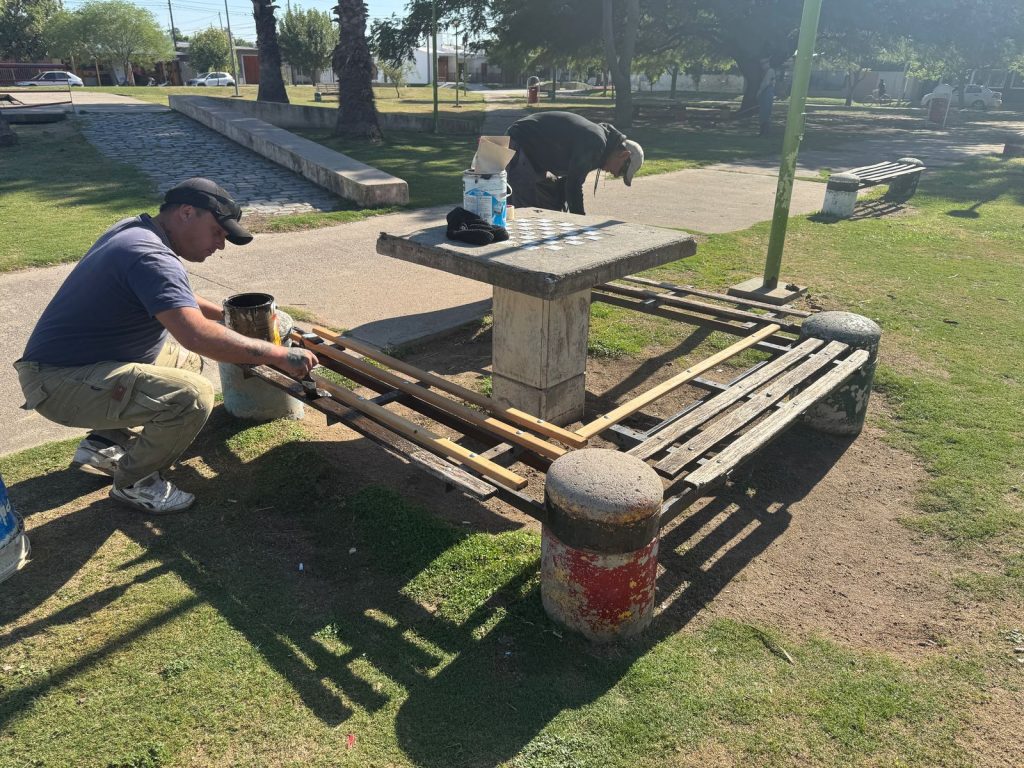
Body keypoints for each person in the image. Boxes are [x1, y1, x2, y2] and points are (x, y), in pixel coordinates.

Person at [14, 178, 318, 514]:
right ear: (187, 213)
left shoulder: (136, 230)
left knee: (184, 362)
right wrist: (282, 354)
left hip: (74, 367)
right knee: (190, 396)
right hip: (59, 385)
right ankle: (134, 482)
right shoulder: (149, 255)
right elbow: (197, 335)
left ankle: (104, 442)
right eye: (217, 232)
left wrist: (232, 316)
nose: (220, 245)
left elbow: (174, 297)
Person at [504, 111, 644, 215]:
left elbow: (568, 182)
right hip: (520, 141)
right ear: (624, 155)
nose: (615, 174)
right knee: (525, 211)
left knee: (549, 203)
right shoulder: (596, 142)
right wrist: (580, 223)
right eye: (621, 172)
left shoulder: (602, 147)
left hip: (533, 153)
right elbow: (573, 186)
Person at [757, 58, 776, 136]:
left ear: (767, 63)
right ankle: (764, 131)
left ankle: (765, 132)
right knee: (763, 112)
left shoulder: (770, 71)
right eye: (761, 64)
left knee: (765, 112)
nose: (762, 66)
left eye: (763, 64)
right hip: (766, 92)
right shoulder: (766, 71)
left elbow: (766, 83)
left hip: (767, 92)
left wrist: (759, 92)